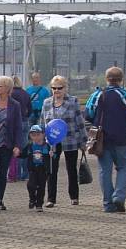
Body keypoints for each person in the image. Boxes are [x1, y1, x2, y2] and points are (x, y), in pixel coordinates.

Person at [85, 67, 126, 213]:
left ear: (107, 79)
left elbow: (88, 114)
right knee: (123, 167)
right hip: (121, 138)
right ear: (121, 80)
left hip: (101, 139)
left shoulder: (97, 95)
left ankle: (108, 204)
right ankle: (119, 197)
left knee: (105, 170)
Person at [40, 76, 87, 207]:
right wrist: (41, 140)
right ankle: (51, 199)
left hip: (70, 140)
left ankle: (74, 196)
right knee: (51, 170)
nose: (56, 91)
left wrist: (83, 142)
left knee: (71, 169)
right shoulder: (47, 103)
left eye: (59, 88)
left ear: (65, 88)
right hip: (52, 142)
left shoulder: (73, 101)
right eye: (54, 88)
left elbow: (80, 122)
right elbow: (42, 122)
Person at [0, 76, 23, 211]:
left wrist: (18, 145)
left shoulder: (15, 105)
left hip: (7, 143)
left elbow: (19, 126)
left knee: (2, 172)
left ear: (7, 88)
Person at [20, 125, 51, 212]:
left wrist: (52, 155)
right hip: (33, 169)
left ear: (43, 135)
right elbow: (23, 154)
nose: (36, 137)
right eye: (33, 135)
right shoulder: (30, 146)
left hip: (43, 169)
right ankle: (32, 199)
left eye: (38, 134)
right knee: (31, 185)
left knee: (41, 187)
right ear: (30, 136)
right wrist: (17, 153)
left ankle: (39, 204)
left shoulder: (47, 146)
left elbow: (52, 157)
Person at [9, 75, 32, 182]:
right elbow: (30, 109)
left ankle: (15, 174)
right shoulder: (26, 93)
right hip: (25, 121)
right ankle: (26, 173)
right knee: (24, 148)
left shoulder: (11, 94)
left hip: (15, 122)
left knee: (16, 148)